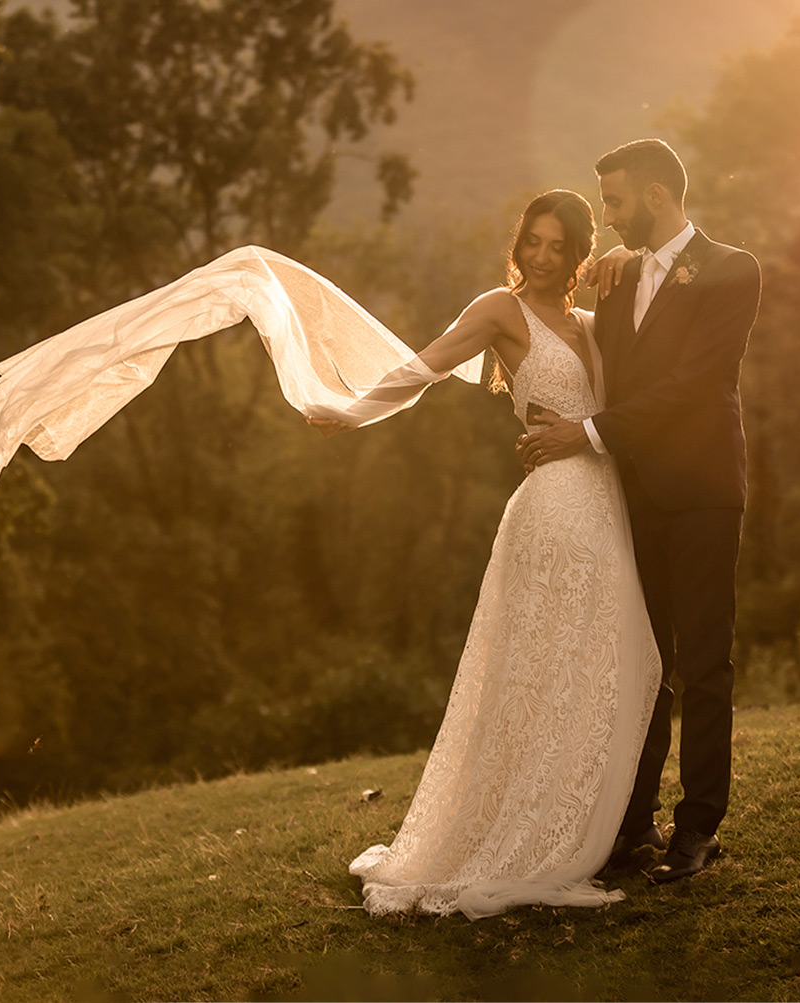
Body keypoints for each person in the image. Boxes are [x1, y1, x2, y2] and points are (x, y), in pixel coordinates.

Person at [308, 189, 663, 917]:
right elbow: (427, 363)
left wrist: (627, 257)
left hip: (608, 507)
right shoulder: (500, 311)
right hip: (554, 509)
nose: (539, 256)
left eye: (556, 245)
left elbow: (634, 377)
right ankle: (519, 834)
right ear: (519, 243)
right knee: (536, 669)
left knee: (600, 665)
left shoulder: (594, 325)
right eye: (531, 240)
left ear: (576, 255)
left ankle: (588, 818)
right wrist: (353, 411)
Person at [518, 139, 762, 884]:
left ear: (656, 196)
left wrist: (585, 435)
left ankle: (698, 828)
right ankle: (633, 825)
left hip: (702, 492)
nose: (608, 218)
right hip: (634, 496)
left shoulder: (732, 270)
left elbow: (695, 382)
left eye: (617, 203)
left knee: (705, 662)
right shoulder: (617, 282)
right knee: (643, 666)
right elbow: (602, 371)